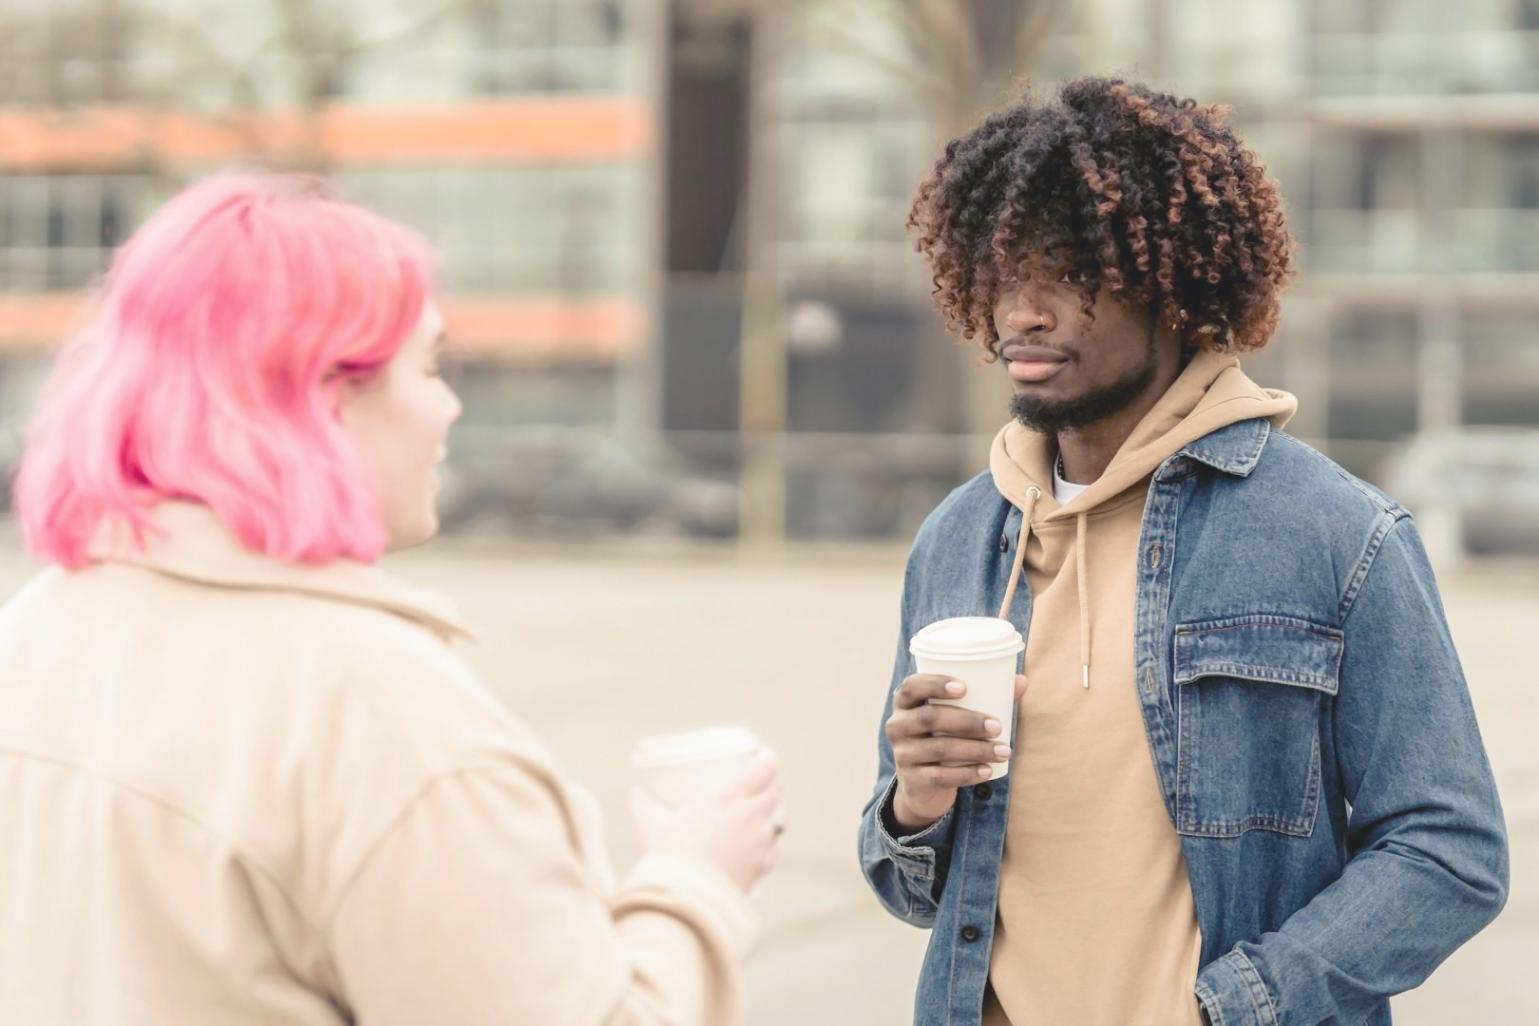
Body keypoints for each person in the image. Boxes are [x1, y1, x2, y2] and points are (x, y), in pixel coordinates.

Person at [0, 173, 782, 1026]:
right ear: (328, 399)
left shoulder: (40, 625)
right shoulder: (380, 716)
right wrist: (695, 881)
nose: (449, 408)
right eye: (431, 365)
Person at [857, 78, 1508, 1026]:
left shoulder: (1339, 535)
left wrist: (1234, 1006)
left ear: (1175, 284)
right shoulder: (960, 539)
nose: (1023, 312)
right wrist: (913, 804)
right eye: (1002, 272)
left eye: (1070, 272)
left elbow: (1449, 852)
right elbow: (908, 887)